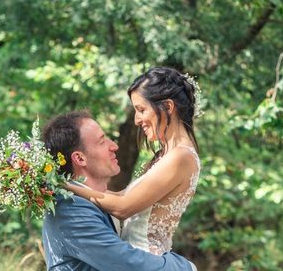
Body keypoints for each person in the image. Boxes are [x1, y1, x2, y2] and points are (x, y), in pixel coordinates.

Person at [67, 67, 201, 255]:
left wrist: (65, 186)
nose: (137, 120)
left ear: (169, 107)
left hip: (145, 260)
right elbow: (122, 197)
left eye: (141, 110)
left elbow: (123, 208)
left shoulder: (181, 157)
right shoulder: (168, 154)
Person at [41, 110, 196, 271]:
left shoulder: (92, 201)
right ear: (80, 158)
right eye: (102, 142)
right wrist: (186, 267)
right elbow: (128, 264)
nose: (114, 146)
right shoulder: (70, 210)